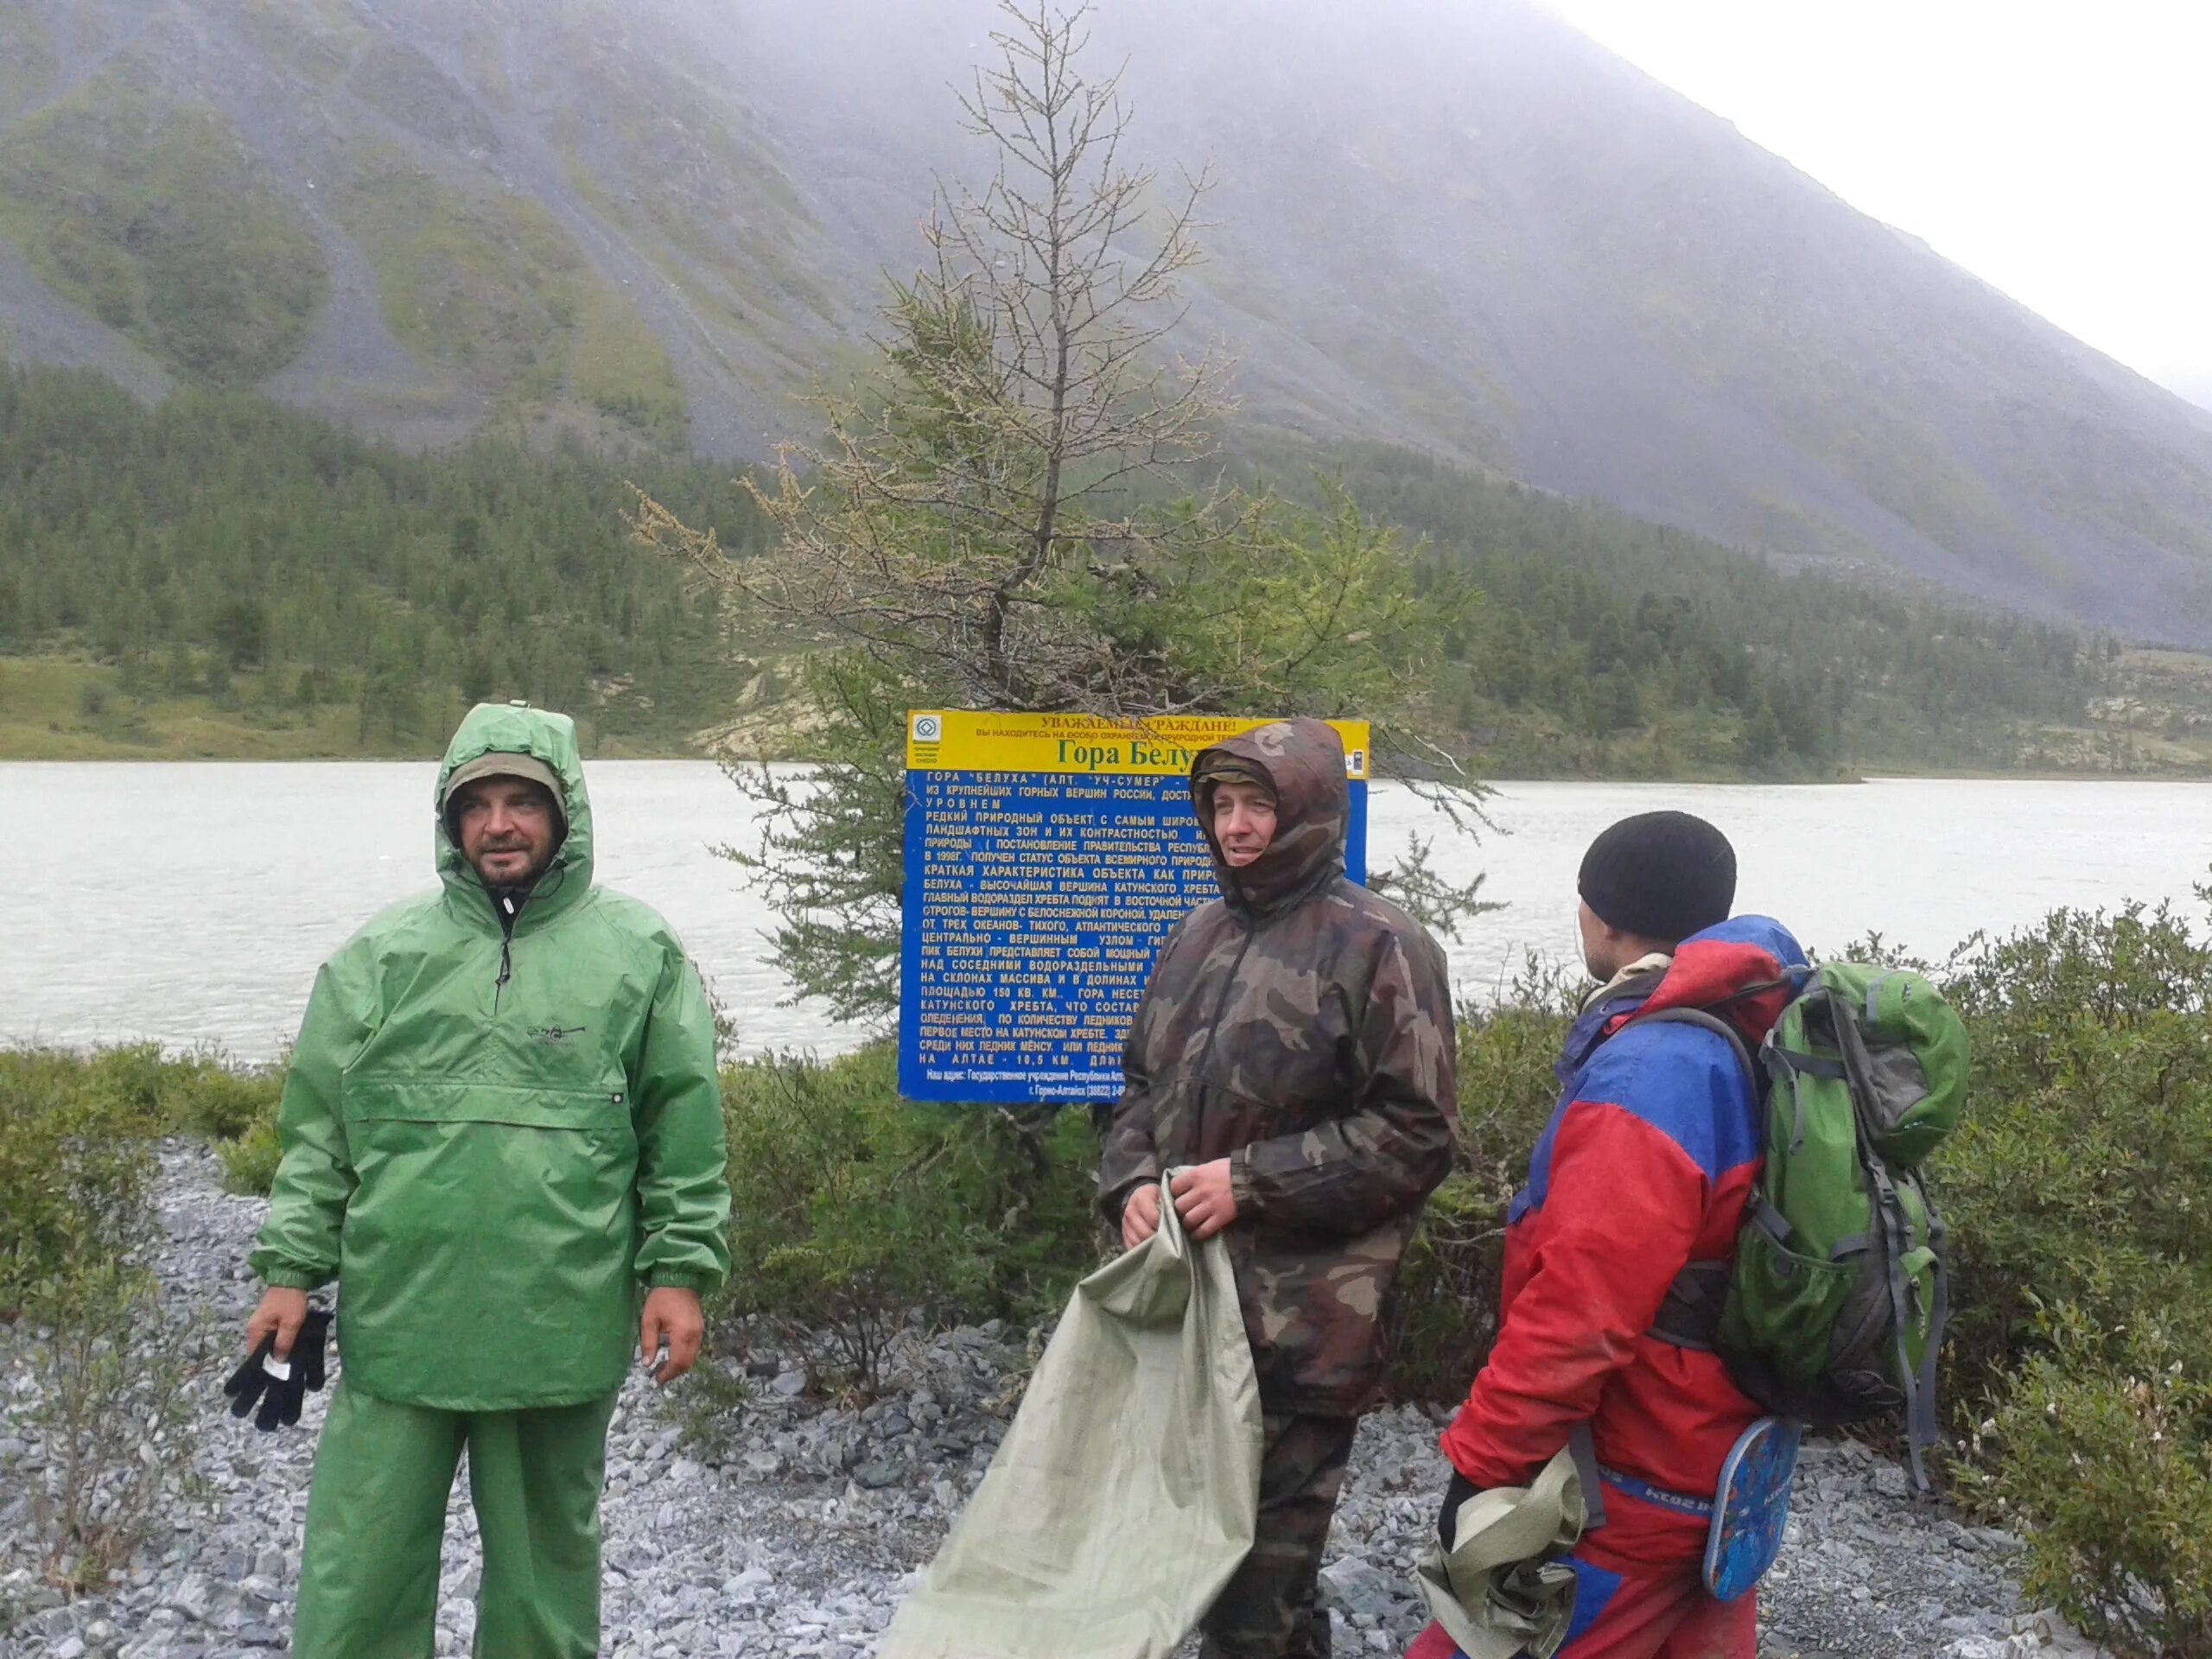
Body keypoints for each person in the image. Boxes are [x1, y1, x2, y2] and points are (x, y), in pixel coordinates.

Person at [244, 701, 731, 1659]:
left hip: (559, 1322)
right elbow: (318, 1136)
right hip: (400, 1322)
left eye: (522, 802)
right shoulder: (380, 957)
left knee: (545, 1585)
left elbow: (683, 1129)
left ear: (565, 815)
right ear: (449, 819)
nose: (499, 824)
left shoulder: (638, 951)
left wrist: (679, 1272)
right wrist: (289, 1271)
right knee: (359, 1576)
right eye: (477, 805)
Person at [1099, 718, 1459, 1659]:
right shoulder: (1195, 934)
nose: (1237, 824)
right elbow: (1140, 1086)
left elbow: (1415, 1136)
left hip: (1300, 1331)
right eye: (1221, 803)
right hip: (1182, 1313)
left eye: (1259, 803)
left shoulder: (1384, 947)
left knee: (1259, 1589)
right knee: (1185, 1567)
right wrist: (1132, 1182)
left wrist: (1251, 1183)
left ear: (1307, 811)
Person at [1413, 811, 1803, 1659]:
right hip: (1724, 1461)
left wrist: (1484, 1467)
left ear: (1605, 921)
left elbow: (1581, 1307)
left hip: (1631, 1477)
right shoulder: (1755, 1024)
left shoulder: (1654, 1070)